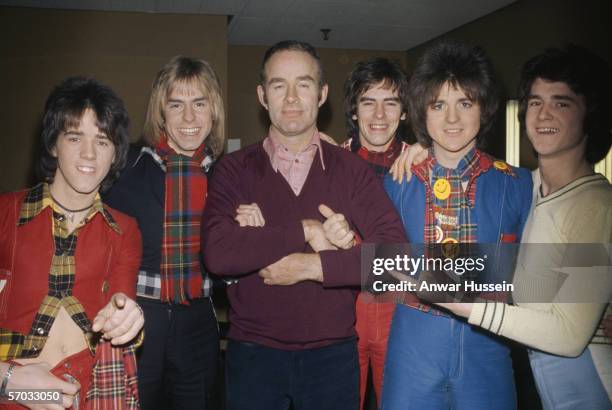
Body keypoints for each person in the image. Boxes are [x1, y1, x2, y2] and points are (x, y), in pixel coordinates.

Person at [201, 40, 406, 410]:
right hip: (252, 356)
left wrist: (311, 266)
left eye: (304, 84)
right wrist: (307, 231)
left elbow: (396, 258)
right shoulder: (233, 169)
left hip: (333, 358)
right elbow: (218, 254)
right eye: (279, 85)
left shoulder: (351, 171)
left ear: (322, 94)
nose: (292, 98)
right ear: (263, 96)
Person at [437, 45, 612, 409]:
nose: (543, 113)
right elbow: (530, 284)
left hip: (590, 387)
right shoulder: (522, 187)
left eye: (561, 102)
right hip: (533, 380)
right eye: (534, 102)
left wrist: (465, 304)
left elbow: (568, 335)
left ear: (590, 115)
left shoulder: (595, 205)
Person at [381, 39, 533, 409]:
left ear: (484, 108)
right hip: (412, 350)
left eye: (465, 103)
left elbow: (540, 274)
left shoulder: (519, 184)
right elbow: (373, 265)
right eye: (438, 105)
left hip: (489, 346)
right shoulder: (396, 182)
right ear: (422, 111)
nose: (452, 119)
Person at [0, 76, 144, 409]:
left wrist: (130, 320)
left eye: (103, 141)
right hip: (17, 392)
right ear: (53, 144)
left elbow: (123, 306)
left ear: (115, 154)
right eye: (75, 137)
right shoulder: (6, 214)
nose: (89, 154)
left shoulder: (125, 230)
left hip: (91, 394)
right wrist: (9, 380)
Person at [104, 56, 224, 409]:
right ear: (161, 113)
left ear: (213, 111)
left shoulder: (228, 179)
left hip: (199, 320)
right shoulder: (124, 170)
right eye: (176, 105)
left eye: (199, 104)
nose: (189, 118)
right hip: (137, 318)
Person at [340, 57, 410, 409]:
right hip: (343, 308)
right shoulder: (328, 163)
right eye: (369, 102)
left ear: (404, 112)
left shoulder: (423, 167)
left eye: (391, 102)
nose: (379, 115)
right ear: (354, 110)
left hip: (402, 311)